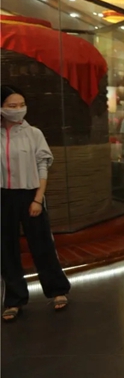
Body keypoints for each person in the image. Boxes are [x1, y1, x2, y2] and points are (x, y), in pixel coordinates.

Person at [1, 85, 71, 322]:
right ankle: (14, 299)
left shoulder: (33, 133)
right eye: (12, 106)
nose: (18, 109)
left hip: (31, 193)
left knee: (42, 244)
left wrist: (38, 198)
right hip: (3, 196)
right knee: (6, 249)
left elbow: (43, 165)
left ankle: (57, 290)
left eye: (22, 105)